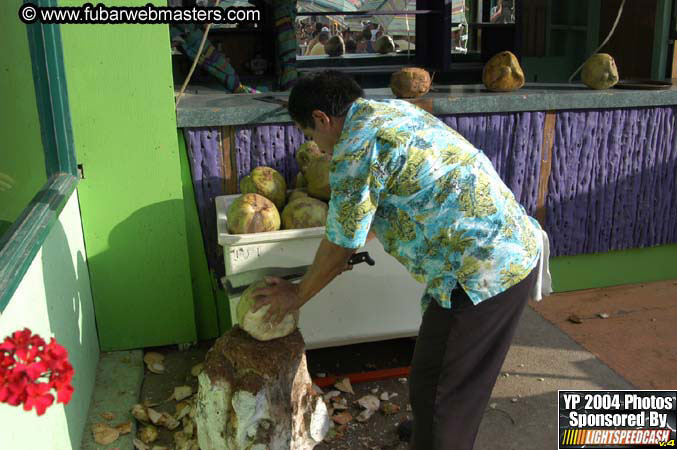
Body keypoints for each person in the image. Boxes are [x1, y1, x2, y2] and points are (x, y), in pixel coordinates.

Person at [251, 71, 546, 450]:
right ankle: (433, 432)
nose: (318, 147)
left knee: (437, 386)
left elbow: (340, 244)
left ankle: (437, 436)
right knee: (455, 377)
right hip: (512, 247)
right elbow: (380, 205)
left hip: (482, 272)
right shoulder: (390, 111)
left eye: (311, 136)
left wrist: (296, 295)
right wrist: (341, 249)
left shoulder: (356, 148)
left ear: (323, 118)